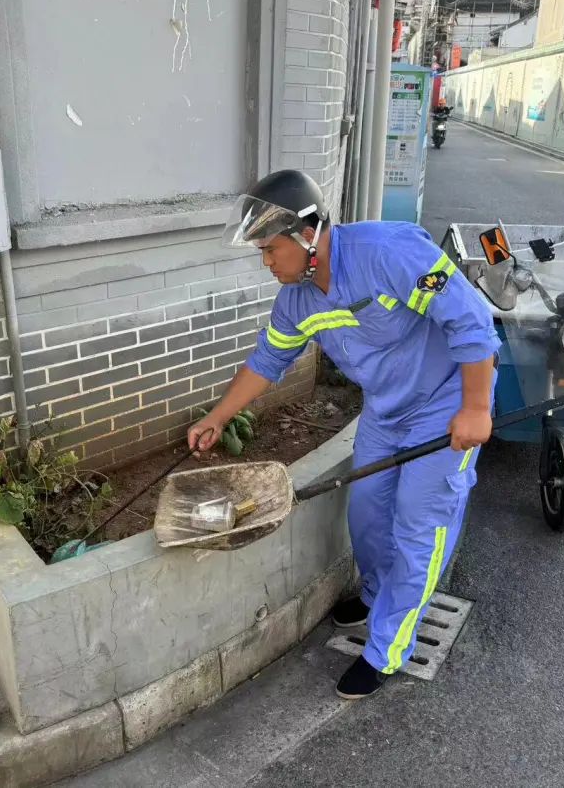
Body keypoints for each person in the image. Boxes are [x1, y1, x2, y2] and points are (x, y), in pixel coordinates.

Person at [188, 169, 500, 699]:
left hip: (445, 403)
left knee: (418, 528)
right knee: (367, 511)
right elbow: (268, 360)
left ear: (307, 235)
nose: (266, 262)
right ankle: (379, 595)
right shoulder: (297, 300)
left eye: (270, 249)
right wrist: (217, 417)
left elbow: (472, 323)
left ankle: (387, 648)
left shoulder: (388, 252)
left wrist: (474, 407)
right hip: (385, 409)